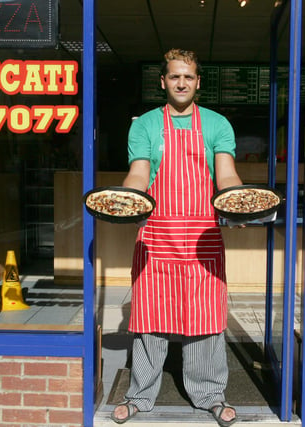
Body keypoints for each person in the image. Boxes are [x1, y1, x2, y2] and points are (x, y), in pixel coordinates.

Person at [111, 49, 242, 426]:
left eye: (187, 77)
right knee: (149, 316)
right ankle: (139, 396)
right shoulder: (146, 125)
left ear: (198, 82)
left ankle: (211, 395)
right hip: (157, 233)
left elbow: (227, 175)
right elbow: (139, 174)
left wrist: (236, 203)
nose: (181, 82)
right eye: (173, 76)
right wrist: (127, 200)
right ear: (163, 81)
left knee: (205, 318)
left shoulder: (217, 124)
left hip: (203, 235)